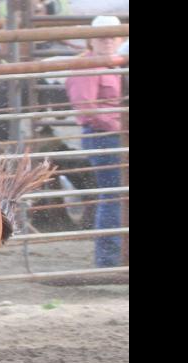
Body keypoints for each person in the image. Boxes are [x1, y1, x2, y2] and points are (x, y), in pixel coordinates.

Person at [66, 15, 124, 269]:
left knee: (116, 194)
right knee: (113, 194)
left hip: (113, 136)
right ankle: (108, 259)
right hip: (104, 137)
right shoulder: (88, 65)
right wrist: (119, 126)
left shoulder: (114, 63)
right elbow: (86, 107)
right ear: (91, 40)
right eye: (102, 36)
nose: (108, 41)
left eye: (112, 36)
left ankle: (114, 255)